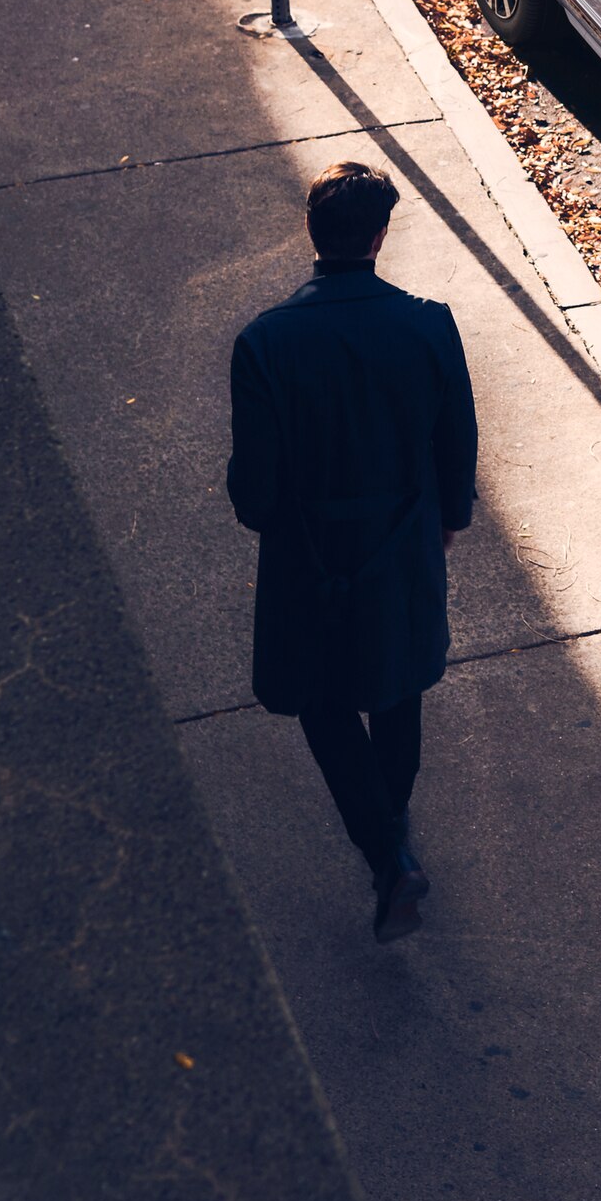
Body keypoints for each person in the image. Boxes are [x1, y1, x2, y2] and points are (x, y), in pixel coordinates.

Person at [225, 160, 478, 942]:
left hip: (310, 558)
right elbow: (457, 443)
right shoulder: (429, 324)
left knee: (323, 699)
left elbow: (254, 492)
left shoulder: (265, 343)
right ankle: (391, 825)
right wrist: (447, 520)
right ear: (379, 236)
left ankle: (386, 848)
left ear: (313, 231)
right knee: (397, 689)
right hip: (400, 548)